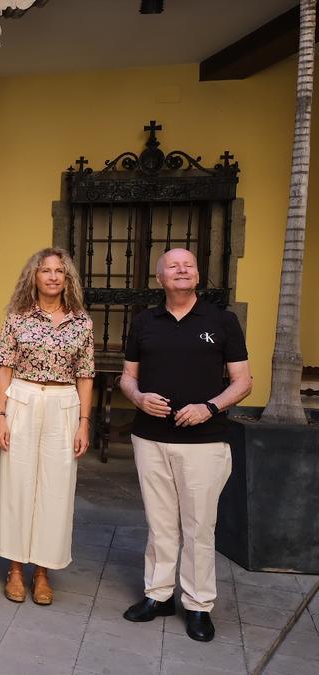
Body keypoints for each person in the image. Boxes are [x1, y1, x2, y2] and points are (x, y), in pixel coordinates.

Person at [119, 248, 251, 642]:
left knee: (199, 527)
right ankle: (159, 596)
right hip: (150, 439)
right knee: (160, 524)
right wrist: (139, 398)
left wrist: (209, 407)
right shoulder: (144, 321)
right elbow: (128, 376)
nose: (181, 269)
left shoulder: (222, 320)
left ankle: (197, 605)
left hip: (204, 442)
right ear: (160, 277)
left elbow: (243, 382)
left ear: (197, 275)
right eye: (173, 265)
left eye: (188, 265)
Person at [0, 247, 94, 606]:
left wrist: (84, 423)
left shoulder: (82, 322)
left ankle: (44, 572)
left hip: (64, 404)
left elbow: (85, 375)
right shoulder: (17, 318)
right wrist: (0, 415)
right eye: (45, 270)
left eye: (59, 271)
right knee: (16, 484)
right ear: (33, 276)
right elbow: (4, 369)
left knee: (57, 489)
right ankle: (16, 569)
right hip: (23, 398)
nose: (52, 276)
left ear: (67, 279)